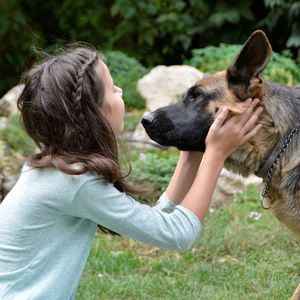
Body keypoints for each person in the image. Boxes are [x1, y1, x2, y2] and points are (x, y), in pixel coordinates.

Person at [0, 46, 262, 299]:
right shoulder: (73, 182)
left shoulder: (58, 170)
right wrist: (216, 154)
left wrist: (193, 148)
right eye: (113, 89)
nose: (121, 90)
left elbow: (158, 220)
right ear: (95, 112)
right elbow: (177, 234)